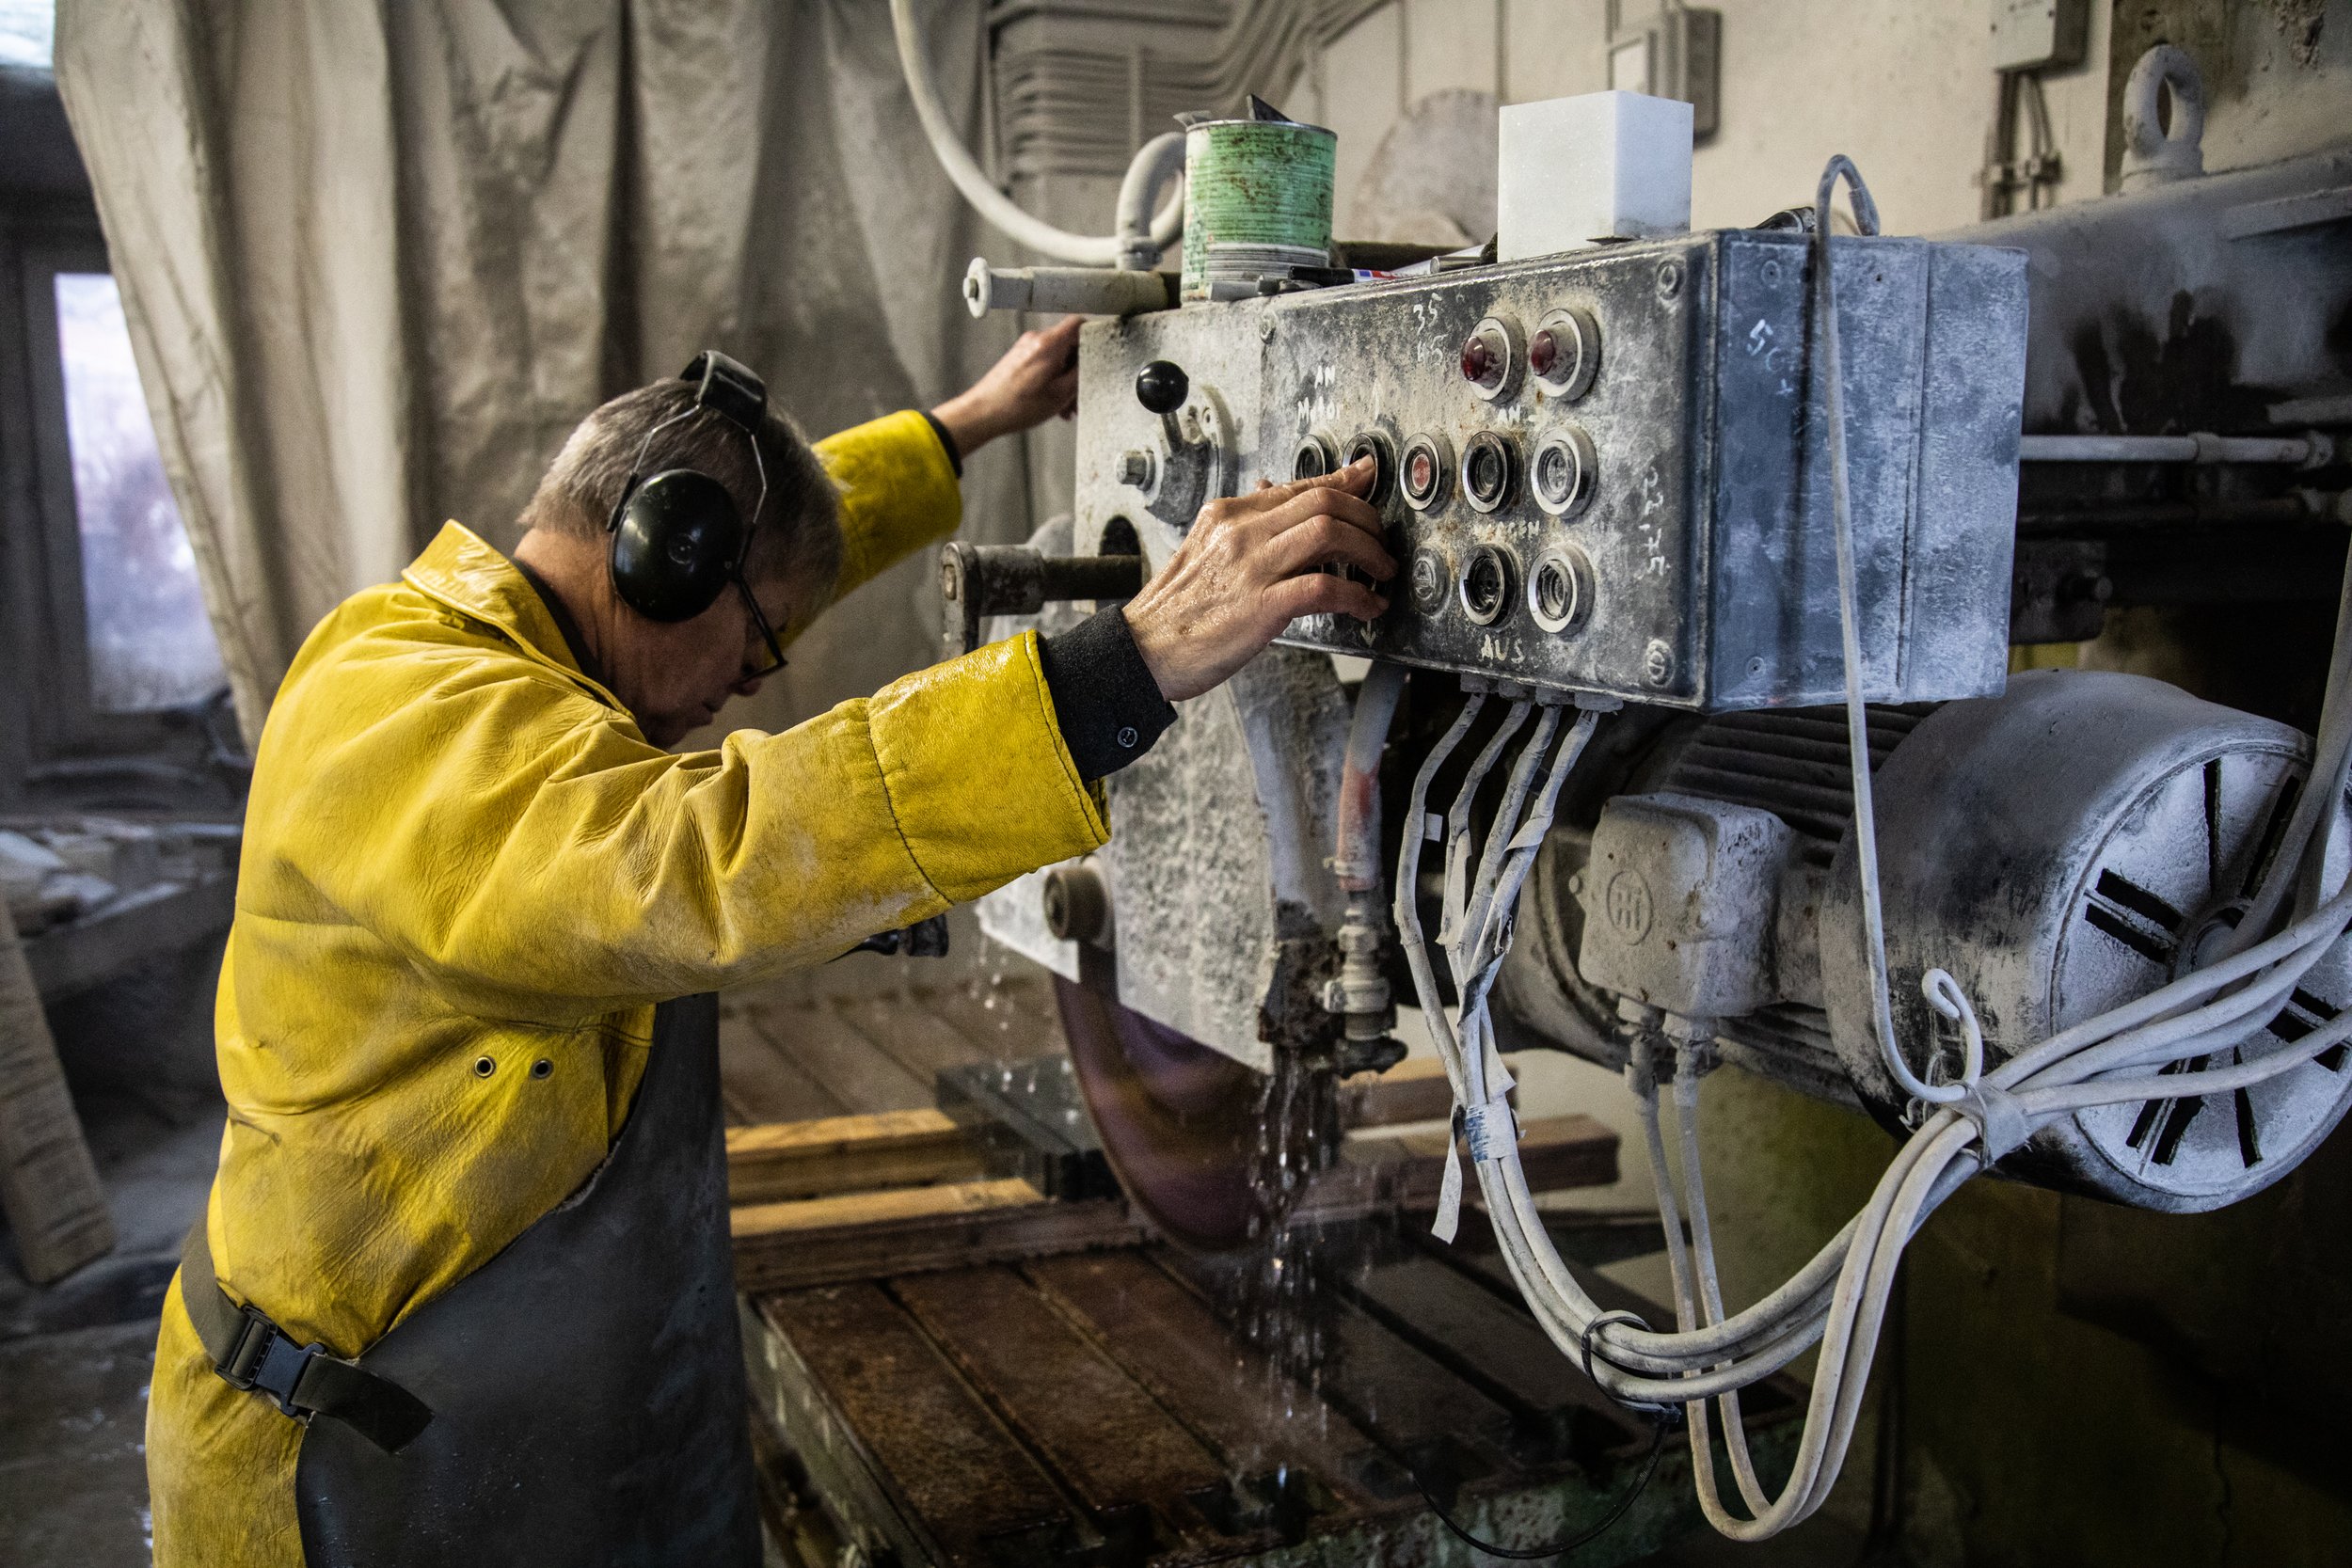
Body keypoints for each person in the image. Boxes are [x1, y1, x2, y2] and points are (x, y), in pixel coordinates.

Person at [146, 315, 1392, 1568]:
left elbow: (771, 544)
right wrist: (1126, 665)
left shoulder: (507, 628)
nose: (745, 687)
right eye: (753, 658)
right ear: (657, 561)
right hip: (345, 1464)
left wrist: (969, 423)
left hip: (476, 1418)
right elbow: (701, 859)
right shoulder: (410, 716)